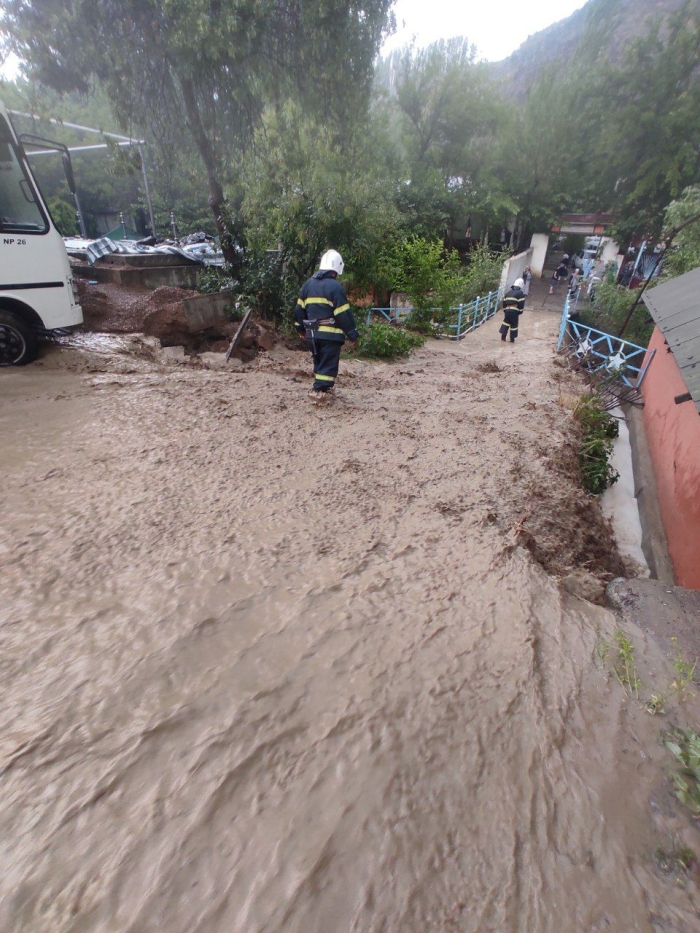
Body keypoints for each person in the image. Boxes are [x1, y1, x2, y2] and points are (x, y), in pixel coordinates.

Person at [293, 249, 359, 400]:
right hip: (330, 335)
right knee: (328, 366)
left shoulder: (307, 285)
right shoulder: (335, 287)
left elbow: (299, 310)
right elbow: (343, 314)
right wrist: (352, 334)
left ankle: (321, 391)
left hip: (312, 335)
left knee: (319, 363)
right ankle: (319, 393)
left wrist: (300, 328)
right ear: (336, 269)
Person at [499, 277, 525, 343]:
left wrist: (505, 310)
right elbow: (521, 303)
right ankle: (512, 340)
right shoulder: (520, 293)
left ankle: (503, 338)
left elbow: (504, 302)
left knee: (506, 323)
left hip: (507, 310)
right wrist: (520, 311)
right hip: (514, 311)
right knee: (514, 325)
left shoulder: (508, 292)